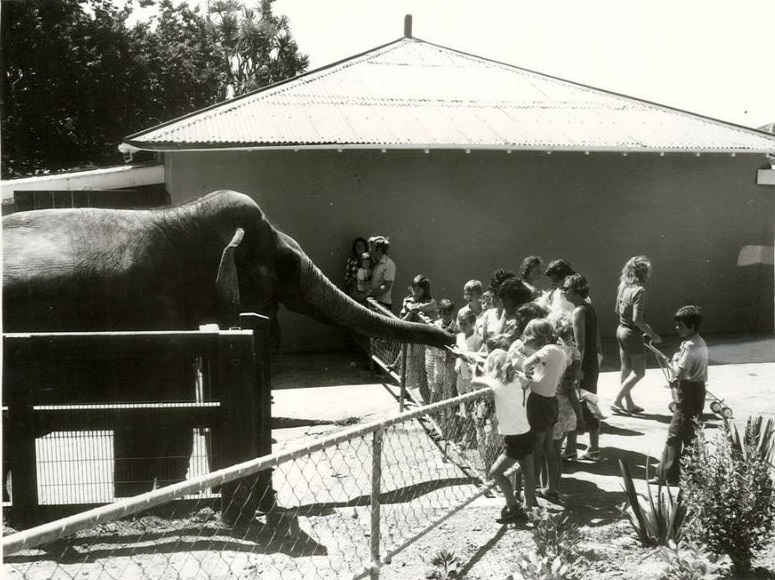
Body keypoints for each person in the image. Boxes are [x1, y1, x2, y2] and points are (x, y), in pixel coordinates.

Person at [471, 349, 537, 524]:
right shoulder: (521, 380)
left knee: (495, 472)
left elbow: (474, 382)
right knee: (528, 474)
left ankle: (513, 507)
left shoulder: (497, 382)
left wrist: (475, 368)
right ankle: (528, 508)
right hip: (527, 432)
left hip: (515, 438)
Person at [512, 318, 568, 503]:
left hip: (538, 402)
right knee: (549, 448)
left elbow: (528, 362)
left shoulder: (548, 349)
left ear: (537, 338)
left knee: (535, 449)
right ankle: (551, 487)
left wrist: (524, 370)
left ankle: (531, 489)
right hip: (551, 400)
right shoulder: (561, 351)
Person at [650, 306, 708, 486]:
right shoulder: (700, 342)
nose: (677, 328)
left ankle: (666, 476)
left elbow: (680, 373)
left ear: (691, 326)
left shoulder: (690, 347)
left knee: (674, 434)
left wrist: (672, 360)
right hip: (697, 391)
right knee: (690, 433)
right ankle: (691, 475)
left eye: (680, 325)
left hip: (687, 392)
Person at [612, 256, 661, 415]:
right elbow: (637, 319)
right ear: (643, 273)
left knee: (626, 369)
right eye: (648, 271)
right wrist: (652, 335)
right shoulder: (640, 291)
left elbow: (617, 311)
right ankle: (617, 401)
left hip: (621, 330)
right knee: (639, 372)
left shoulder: (623, 287)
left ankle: (629, 404)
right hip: (632, 333)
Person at [562, 274, 603, 462]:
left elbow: (581, 344)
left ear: (577, 290)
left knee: (582, 402)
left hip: (583, 365)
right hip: (590, 363)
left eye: (567, 288)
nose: (563, 290)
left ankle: (591, 448)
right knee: (583, 402)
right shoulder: (588, 308)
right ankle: (577, 447)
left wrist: (577, 368)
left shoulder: (579, 311)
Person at [399, 274, 439, 403]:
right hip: (410, 340)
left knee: (422, 370)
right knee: (405, 366)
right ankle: (404, 392)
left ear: (425, 290)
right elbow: (403, 320)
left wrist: (415, 308)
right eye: (413, 289)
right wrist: (411, 311)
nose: (415, 292)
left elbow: (424, 308)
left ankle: (426, 400)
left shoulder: (430, 302)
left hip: (423, 342)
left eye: (419, 290)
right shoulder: (407, 300)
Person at [367, 236, 396, 312]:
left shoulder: (389, 264)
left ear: (379, 250)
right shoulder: (373, 262)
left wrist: (368, 294)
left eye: (372, 247)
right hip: (372, 302)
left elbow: (386, 286)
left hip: (382, 304)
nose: (369, 250)